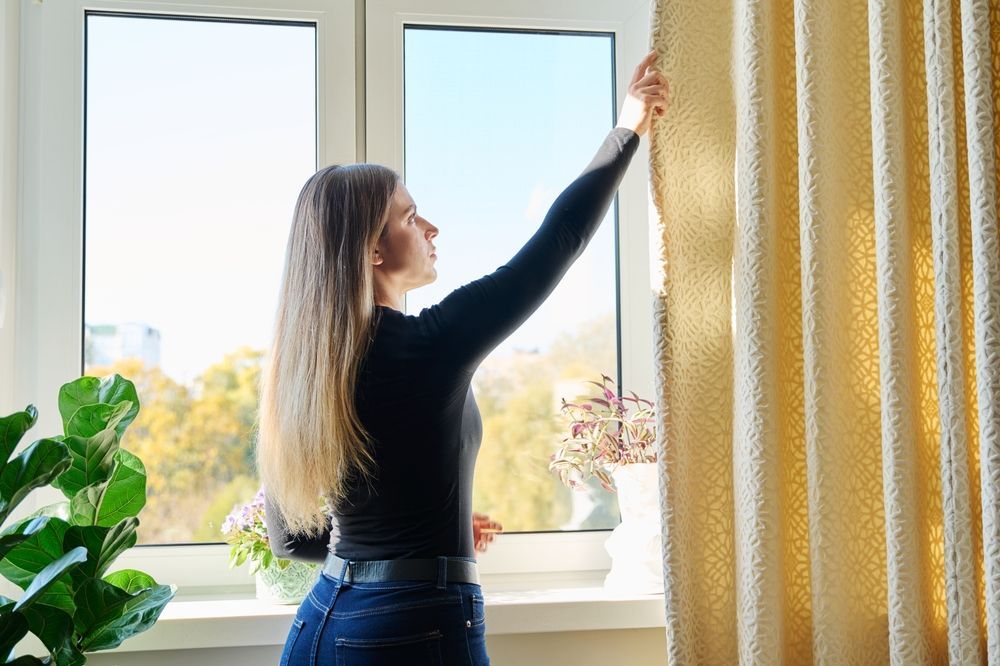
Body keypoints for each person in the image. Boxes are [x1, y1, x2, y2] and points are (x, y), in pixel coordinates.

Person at [257, 50, 669, 666]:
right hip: (408, 626)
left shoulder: (304, 370)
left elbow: (293, 540)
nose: (432, 229)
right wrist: (628, 127)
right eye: (410, 216)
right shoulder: (427, 346)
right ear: (373, 249)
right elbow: (558, 241)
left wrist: (427, 533)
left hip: (320, 624)